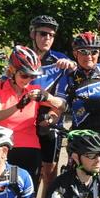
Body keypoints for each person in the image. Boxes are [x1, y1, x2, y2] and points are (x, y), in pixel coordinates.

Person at [0, 45, 66, 187]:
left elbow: (62, 106)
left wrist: (47, 97)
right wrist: (18, 106)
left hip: (29, 147)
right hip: (4, 147)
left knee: (29, 192)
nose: (28, 80)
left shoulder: (33, 90)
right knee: (9, 190)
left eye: (33, 76)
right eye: (24, 75)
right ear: (12, 70)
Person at [53, 32, 100, 171]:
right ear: (75, 53)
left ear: (99, 53)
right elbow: (59, 104)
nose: (89, 56)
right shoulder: (68, 78)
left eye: (94, 52)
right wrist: (50, 115)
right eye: (83, 52)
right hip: (79, 142)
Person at [26, 15, 76, 186]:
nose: (47, 38)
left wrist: (72, 65)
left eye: (51, 35)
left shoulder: (59, 59)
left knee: (49, 175)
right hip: (24, 123)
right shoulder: (21, 57)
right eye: (43, 33)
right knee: (28, 174)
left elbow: (81, 72)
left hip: (50, 121)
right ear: (32, 34)